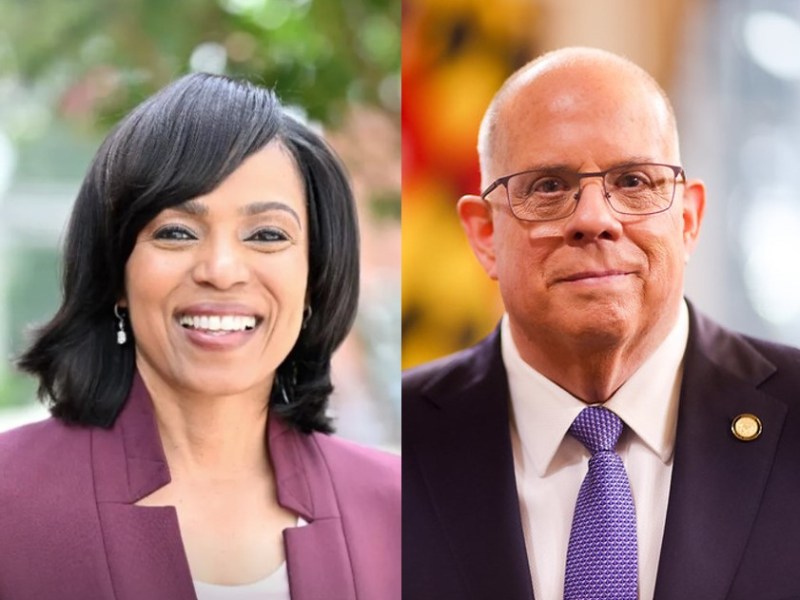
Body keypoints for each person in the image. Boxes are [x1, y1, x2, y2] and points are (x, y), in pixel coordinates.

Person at [403, 47, 800, 600]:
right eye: (547, 186)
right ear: (484, 236)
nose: (595, 219)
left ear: (687, 219)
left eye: (634, 181)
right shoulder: (395, 444)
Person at [0, 73, 400, 600]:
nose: (221, 269)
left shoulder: (400, 507)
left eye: (267, 235)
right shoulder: (11, 496)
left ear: (313, 278)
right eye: (176, 232)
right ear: (116, 272)